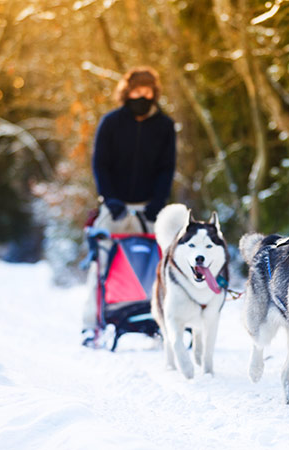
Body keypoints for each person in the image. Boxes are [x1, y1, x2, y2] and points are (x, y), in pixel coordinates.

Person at [82, 67, 176, 342]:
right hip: (115, 207)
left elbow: (166, 167)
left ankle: (161, 319)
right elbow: (100, 164)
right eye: (136, 91)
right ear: (127, 91)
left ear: (154, 93)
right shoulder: (110, 122)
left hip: (151, 208)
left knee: (162, 265)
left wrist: (158, 201)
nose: (141, 96)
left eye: (147, 91)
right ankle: (92, 324)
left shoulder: (165, 126)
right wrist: (108, 198)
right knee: (101, 262)